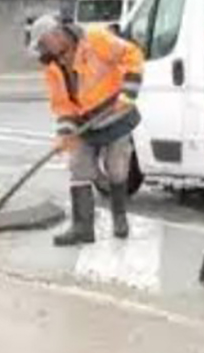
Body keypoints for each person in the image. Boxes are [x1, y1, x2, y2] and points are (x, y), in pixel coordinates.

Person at [31, 13, 145, 246]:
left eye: (44, 43)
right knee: (78, 167)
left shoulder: (95, 39)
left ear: (56, 34)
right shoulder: (53, 67)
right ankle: (83, 228)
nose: (44, 50)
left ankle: (119, 217)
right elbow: (62, 105)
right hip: (85, 123)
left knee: (117, 168)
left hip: (115, 112)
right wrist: (65, 134)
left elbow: (133, 55)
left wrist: (129, 91)